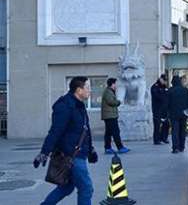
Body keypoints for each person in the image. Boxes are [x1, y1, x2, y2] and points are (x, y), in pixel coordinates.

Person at [34, 76, 98, 205]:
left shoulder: (79, 105)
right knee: (86, 188)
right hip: (71, 156)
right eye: (87, 87)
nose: (90, 90)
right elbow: (55, 131)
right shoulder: (65, 106)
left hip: (79, 153)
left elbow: (83, 130)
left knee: (66, 187)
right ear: (79, 90)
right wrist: (44, 153)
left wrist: (90, 149)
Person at [101, 77, 130, 154]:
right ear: (112, 84)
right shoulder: (108, 92)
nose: (116, 85)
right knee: (115, 132)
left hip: (110, 115)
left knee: (108, 133)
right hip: (110, 116)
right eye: (115, 84)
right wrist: (118, 102)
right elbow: (111, 102)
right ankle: (120, 147)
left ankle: (108, 148)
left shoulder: (110, 91)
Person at [167, 75, 188, 153]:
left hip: (173, 114)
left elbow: (167, 103)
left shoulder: (170, 91)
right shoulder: (185, 90)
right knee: (182, 130)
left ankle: (175, 147)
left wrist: (166, 113)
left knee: (175, 130)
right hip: (183, 114)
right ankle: (182, 146)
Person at [151, 74, 169, 145]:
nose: (165, 82)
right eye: (164, 80)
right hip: (157, 109)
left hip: (164, 109)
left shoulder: (164, 87)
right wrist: (164, 95)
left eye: (166, 81)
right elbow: (158, 97)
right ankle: (156, 140)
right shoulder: (155, 87)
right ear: (160, 79)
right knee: (157, 125)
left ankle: (164, 138)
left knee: (166, 124)